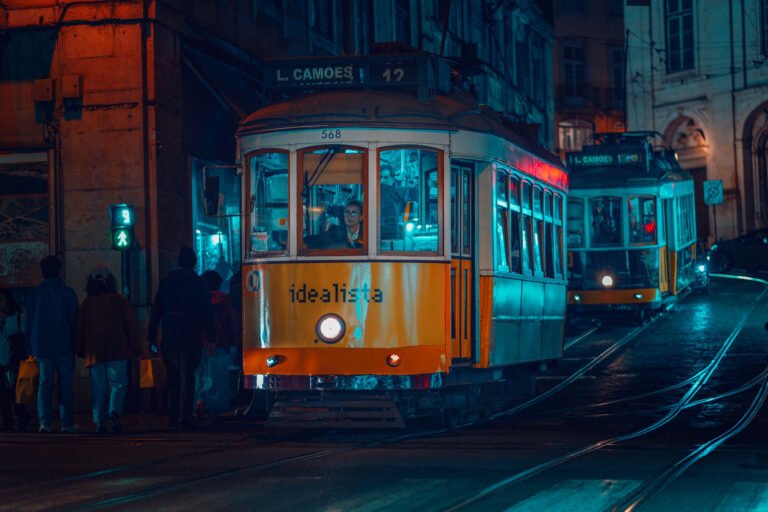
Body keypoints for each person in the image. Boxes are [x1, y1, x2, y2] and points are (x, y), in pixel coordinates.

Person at [148, 246, 215, 429]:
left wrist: (151, 336)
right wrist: (211, 337)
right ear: (194, 263)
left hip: (170, 335)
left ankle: (172, 415)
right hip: (191, 335)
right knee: (188, 377)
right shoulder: (199, 283)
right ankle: (186, 415)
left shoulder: (167, 282)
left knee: (173, 377)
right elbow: (206, 313)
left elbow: (157, 310)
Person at [74, 266, 142, 434]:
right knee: (119, 383)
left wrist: (80, 350)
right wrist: (137, 348)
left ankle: (99, 421)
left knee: (98, 387)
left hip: (94, 352)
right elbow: (131, 326)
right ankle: (114, 412)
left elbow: (79, 329)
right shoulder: (119, 300)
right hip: (117, 349)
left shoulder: (87, 304)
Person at [26, 255, 79, 433]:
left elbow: (29, 322)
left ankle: (45, 422)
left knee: (44, 384)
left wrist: (30, 346)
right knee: (65, 385)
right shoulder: (67, 292)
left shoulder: (35, 293)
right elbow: (74, 320)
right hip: (64, 344)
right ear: (59, 270)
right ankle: (66, 422)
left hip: (41, 346)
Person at [195, 270, 240, 427]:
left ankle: (200, 403)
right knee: (219, 379)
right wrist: (234, 343)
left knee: (201, 377)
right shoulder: (225, 302)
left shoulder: (197, 300)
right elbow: (233, 325)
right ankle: (214, 410)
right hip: (221, 345)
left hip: (200, 344)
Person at [0, 290, 29, 431]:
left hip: (12, 360)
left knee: (14, 392)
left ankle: (21, 417)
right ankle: (8, 420)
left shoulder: (18, 318)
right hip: (1, 360)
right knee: (3, 394)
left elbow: (23, 338)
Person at [380, 165, 404, 240]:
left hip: (394, 228)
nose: (382, 180)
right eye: (380, 177)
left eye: (386, 177)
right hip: (383, 229)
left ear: (392, 178)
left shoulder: (396, 192)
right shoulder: (380, 191)